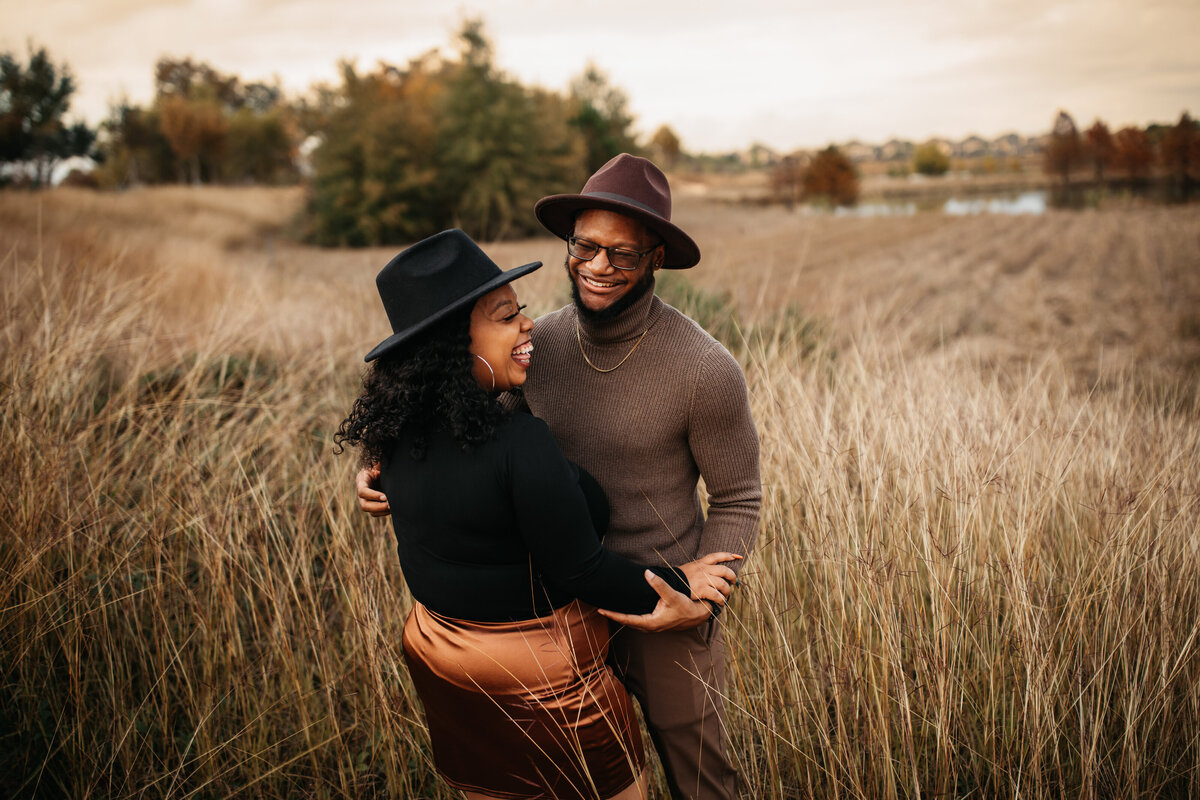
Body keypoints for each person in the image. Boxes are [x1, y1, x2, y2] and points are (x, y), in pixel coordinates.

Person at [359, 156, 762, 800]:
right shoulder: (534, 345)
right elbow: (461, 424)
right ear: (569, 244)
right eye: (586, 246)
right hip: (556, 615)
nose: (599, 267)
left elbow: (739, 495)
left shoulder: (705, 369)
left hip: (663, 603)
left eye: (623, 254)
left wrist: (701, 597)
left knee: (702, 781)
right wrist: (380, 470)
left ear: (656, 257)